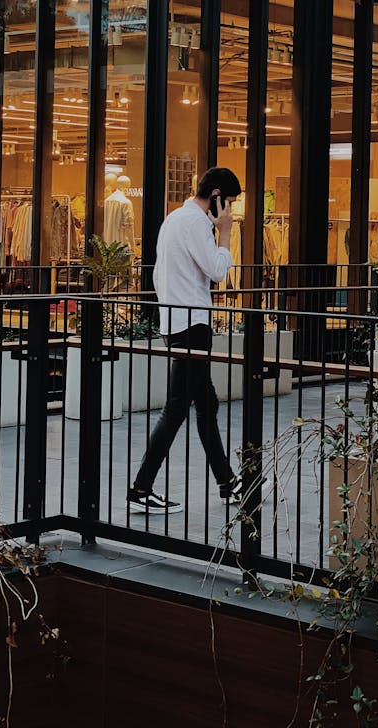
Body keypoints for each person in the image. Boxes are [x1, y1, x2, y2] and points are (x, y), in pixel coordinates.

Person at [127, 167, 244, 514]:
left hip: (179, 323)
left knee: (206, 405)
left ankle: (228, 482)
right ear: (218, 195)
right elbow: (218, 271)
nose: (230, 213)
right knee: (177, 407)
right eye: (230, 204)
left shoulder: (175, 219)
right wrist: (224, 235)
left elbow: (158, 273)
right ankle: (141, 487)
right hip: (192, 324)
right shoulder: (196, 224)